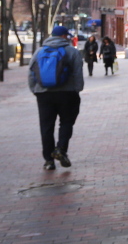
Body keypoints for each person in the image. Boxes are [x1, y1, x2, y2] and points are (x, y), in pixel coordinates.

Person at [28, 25, 85, 171]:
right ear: (65, 36)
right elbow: (78, 73)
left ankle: (48, 160)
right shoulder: (72, 51)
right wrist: (77, 90)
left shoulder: (39, 51)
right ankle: (60, 149)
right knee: (66, 122)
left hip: (44, 95)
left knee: (46, 126)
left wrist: (36, 91)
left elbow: (31, 73)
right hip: (67, 93)